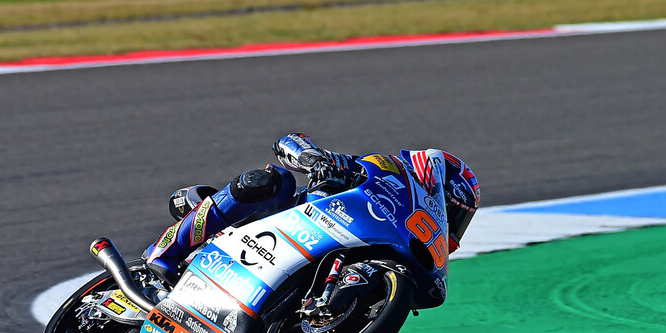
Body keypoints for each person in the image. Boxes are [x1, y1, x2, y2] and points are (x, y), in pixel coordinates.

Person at [145, 133, 480, 286]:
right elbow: (290, 141)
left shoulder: (400, 251)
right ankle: (170, 251)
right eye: (453, 212)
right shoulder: (378, 170)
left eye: (460, 220)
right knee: (273, 180)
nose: (452, 225)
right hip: (281, 225)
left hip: (319, 254)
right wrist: (315, 159)